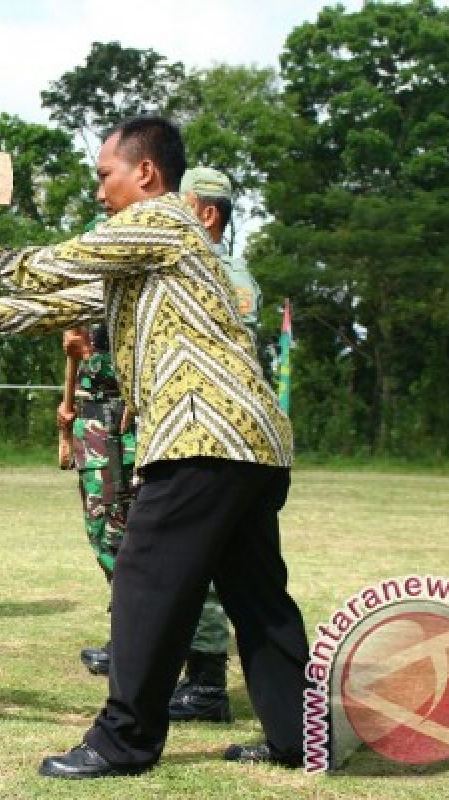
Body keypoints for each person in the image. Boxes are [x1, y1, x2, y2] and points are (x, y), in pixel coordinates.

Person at [0, 116, 308, 776]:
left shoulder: (159, 224)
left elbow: (56, 263)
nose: (97, 191)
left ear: (145, 173)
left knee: (145, 580)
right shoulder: (159, 249)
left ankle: (123, 740)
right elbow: (72, 297)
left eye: (103, 175)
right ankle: (300, 738)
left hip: (202, 435)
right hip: (251, 444)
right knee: (258, 597)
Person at [159, 165, 267, 723]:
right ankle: (197, 677)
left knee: (206, 565)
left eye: (182, 205)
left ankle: (206, 687)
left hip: (215, 435)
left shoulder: (223, 274)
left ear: (206, 213)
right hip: (214, 434)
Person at [58, 325, 135, 676]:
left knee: (122, 536)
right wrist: (66, 412)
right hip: (93, 431)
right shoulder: (84, 295)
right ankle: (129, 631)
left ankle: (135, 638)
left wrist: (90, 355)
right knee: (101, 532)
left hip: (125, 429)